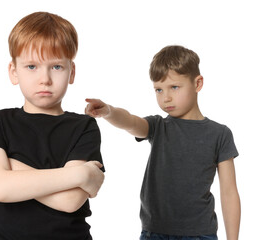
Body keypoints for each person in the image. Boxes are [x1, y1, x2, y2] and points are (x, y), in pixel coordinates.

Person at [0, 12, 105, 240]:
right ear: (14, 72)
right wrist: (81, 174)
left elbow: (70, 201)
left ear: (71, 72)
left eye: (56, 67)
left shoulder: (84, 126)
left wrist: (11, 170)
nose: (45, 79)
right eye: (32, 66)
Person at [85, 45, 240, 240]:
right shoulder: (158, 126)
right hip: (154, 233)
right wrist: (109, 111)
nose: (165, 97)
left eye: (174, 87)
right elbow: (131, 121)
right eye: (158, 89)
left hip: (200, 234)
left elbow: (229, 192)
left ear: (197, 84)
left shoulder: (220, 134)